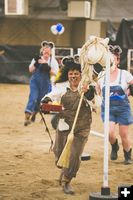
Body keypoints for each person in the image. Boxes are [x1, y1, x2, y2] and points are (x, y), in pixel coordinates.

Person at [41, 57, 95, 194]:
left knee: (74, 156)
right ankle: (64, 170)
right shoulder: (62, 87)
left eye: (76, 73)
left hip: (81, 127)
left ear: (81, 74)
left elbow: (98, 103)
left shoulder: (88, 87)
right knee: (59, 154)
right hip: (64, 125)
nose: (73, 76)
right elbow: (52, 95)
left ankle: (67, 180)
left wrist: (89, 95)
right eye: (71, 73)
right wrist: (47, 99)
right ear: (68, 75)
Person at [96, 45, 133, 165]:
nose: (111, 61)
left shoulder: (125, 74)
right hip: (108, 109)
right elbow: (98, 91)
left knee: (124, 134)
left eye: (114, 59)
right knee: (110, 133)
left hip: (123, 108)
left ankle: (127, 154)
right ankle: (114, 146)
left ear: (117, 60)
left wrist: (130, 91)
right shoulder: (102, 76)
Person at [24, 41, 59, 126]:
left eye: (48, 50)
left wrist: (48, 68)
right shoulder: (37, 59)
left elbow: (56, 74)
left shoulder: (53, 61)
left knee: (40, 101)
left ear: (50, 52)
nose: (46, 52)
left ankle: (34, 115)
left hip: (46, 84)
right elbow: (30, 70)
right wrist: (36, 63)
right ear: (42, 51)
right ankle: (27, 118)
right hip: (35, 82)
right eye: (44, 50)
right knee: (33, 97)